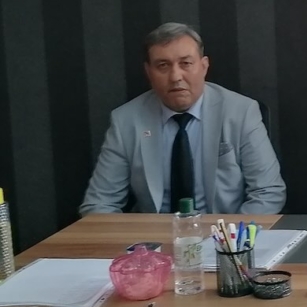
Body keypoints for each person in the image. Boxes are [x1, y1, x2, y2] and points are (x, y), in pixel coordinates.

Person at [80, 23, 285, 216]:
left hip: (222, 232)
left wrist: (229, 238)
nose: (175, 76)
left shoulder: (241, 112)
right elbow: (99, 203)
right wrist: (134, 240)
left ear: (204, 66)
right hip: (154, 236)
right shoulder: (126, 120)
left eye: (186, 63)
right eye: (163, 65)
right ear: (148, 72)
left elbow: (268, 192)